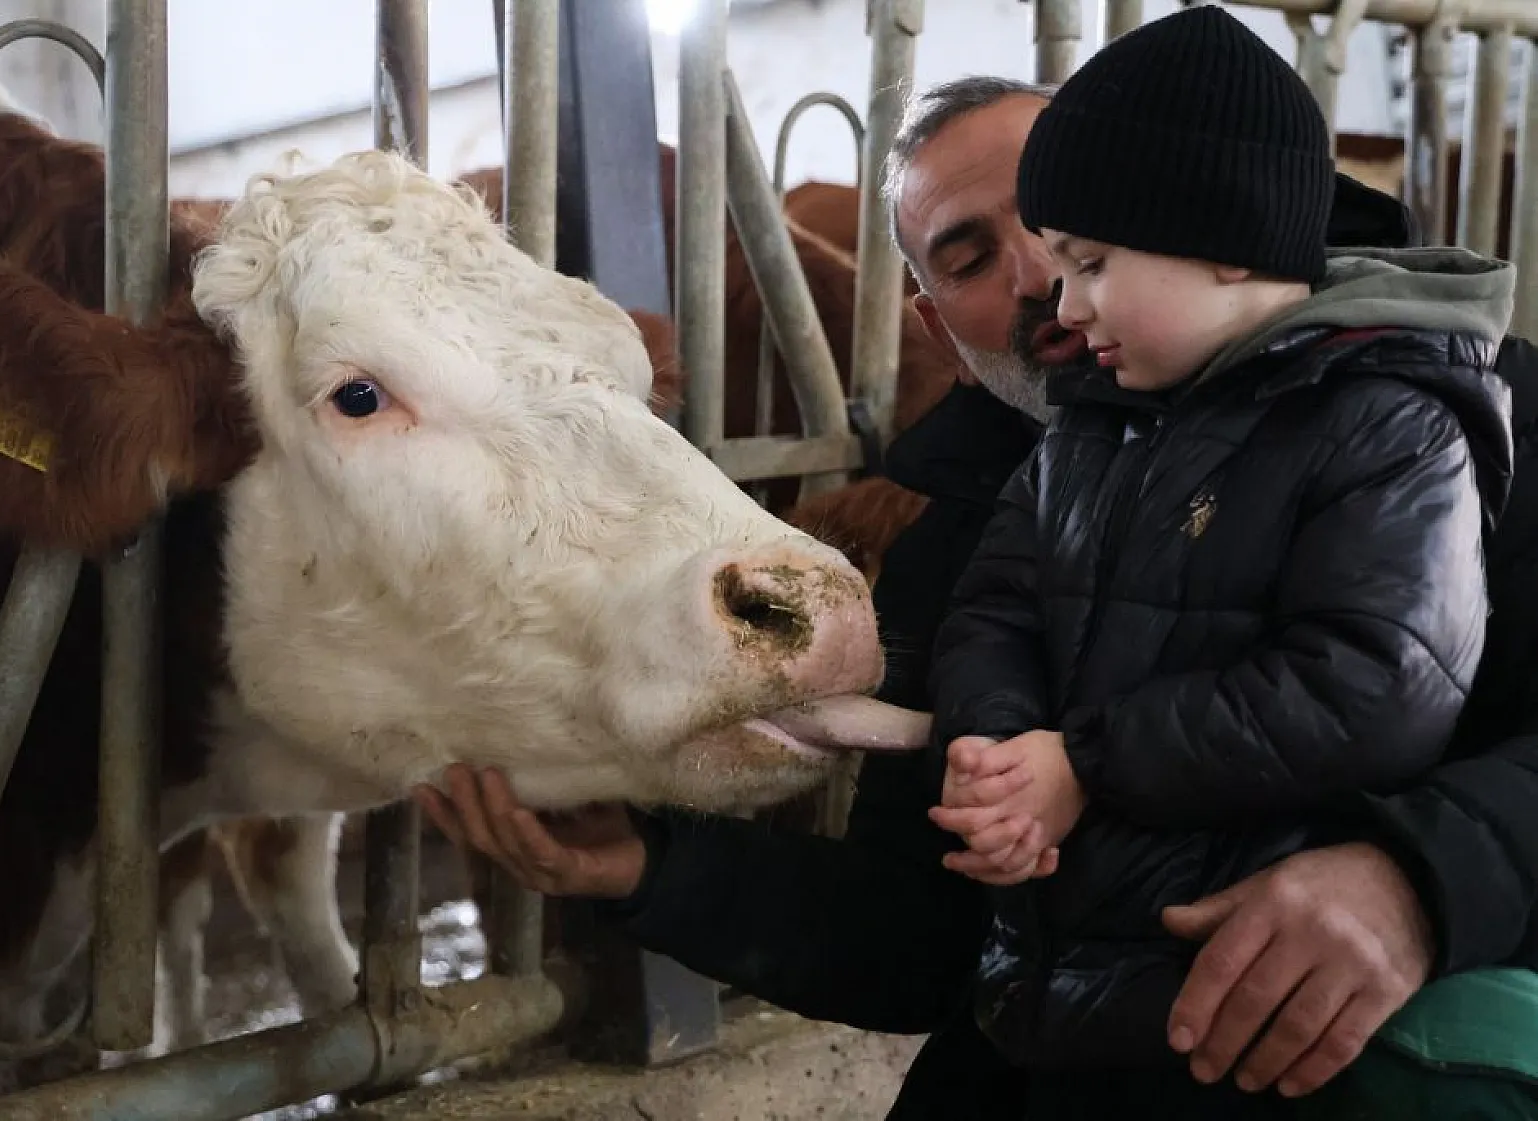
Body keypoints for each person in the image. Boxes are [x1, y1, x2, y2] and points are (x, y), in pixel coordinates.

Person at [415, 64, 1538, 1121]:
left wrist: (1426, 880)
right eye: (967, 255)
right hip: (1068, 1059)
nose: (1039, 279)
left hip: (1418, 1050)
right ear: (936, 335)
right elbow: (926, 935)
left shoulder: (1475, 415)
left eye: (1074, 230)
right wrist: (653, 867)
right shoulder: (957, 535)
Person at [923, 6, 1511, 1116]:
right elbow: (991, 607)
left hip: (1254, 1004)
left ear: (1225, 240)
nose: (1063, 303)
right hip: (1056, 979)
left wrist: (1085, 764)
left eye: (1089, 263)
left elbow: (1371, 682)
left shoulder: (1388, 420)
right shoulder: (1091, 428)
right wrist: (995, 751)